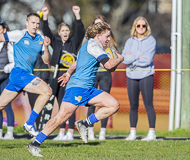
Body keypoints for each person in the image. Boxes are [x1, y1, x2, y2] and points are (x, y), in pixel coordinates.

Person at [26, 21, 124, 157]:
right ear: (98, 35)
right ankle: (35, 143)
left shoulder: (90, 45)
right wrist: (120, 59)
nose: (108, 39)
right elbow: (108, 65)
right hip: (78, 88)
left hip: (88, 88)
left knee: (113, 105)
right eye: (107, 36)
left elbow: (76, 63)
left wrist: (67, 73)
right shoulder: (94, 45)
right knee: (61, 117)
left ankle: (84, 123)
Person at [0, 13, 52, 137]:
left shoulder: (40, 39)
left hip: (22, 77)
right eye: (33, 23)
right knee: (47, 91)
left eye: (37, 23)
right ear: (27, 23)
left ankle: (29, 123)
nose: (35, 25)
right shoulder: (19, 34)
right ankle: (29, 124)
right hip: (19, 74)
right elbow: (2, 37)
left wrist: (46, 46)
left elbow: (46, 60)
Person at [41, 6, 85, 141]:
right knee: (60, 104)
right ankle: (61, 132)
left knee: (69, 104)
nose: (65, 32)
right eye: (63, 31)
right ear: (59, 33)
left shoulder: (73, 41)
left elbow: (81, 31)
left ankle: (70, 132)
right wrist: (45, 16)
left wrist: (77, 14)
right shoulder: (56, 42)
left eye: (67, 30)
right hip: (57, 76)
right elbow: (46, 31)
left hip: (70, 76)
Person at [122, 16, 156, 141]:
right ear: (134, 27)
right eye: (138, 25)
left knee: (148, 105)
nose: (141, 28)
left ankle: (152, 133)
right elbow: (124, 58)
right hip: (131, 76)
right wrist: (138, 57)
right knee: (133, 105)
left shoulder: (151, 40)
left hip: (146, 75)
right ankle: (132, 133)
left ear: (146, 27)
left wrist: (133, 59)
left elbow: (147, 60)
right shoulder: (130, 41)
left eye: (143, 26)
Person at [86, 15, 118, 141]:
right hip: (93, 74)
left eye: (101, 24)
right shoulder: (90, 41)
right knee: (91, 103)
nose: (98, 26)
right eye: (96, 24)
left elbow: (114, 56)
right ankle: (90, 131)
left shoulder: (109, 41)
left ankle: (103, 132)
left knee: (106, 103)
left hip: (105, 74)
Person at [0, 21, 15, 139]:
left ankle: (10, 132)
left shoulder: (8, 44)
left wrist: (7, 68)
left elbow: (13, 62)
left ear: (4, 30)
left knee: (7, 104)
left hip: (6, 77)